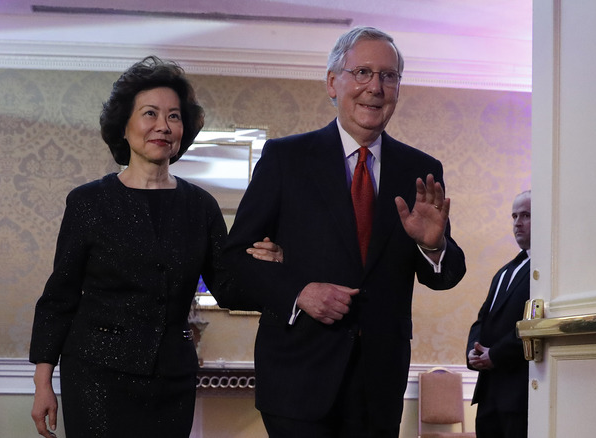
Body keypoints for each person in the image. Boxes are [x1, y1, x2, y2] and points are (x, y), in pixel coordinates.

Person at [222, 26, 467, 437]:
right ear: (334, 82)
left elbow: (446, 275)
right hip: (297, 380)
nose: (375, 87)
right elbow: (233, 263)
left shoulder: (419, 171)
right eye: (363, 73)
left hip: (378, 387)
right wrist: (299, 292)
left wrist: (434, 244)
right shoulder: (287, 158)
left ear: (398, 89)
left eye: (388, 76)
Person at [28, 56, 282, 438]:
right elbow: (59, 297)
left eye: (174, 116)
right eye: (150, 113)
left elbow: (228, 287)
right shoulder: (88, 202)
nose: (163, 126)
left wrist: (270, 265)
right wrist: (43, 381)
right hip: (96, 376)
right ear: (125, 125)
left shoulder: (201, 205)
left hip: (171, 379)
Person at [467, 190, 531, 438]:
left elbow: (535, 323)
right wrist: (473, 352)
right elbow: (483, 320)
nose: (517, 223)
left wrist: (496, 354)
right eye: (514, 216)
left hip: (518, 392)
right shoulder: (504, 271)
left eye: (526, 215)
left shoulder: (547, 269)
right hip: (489, 391)